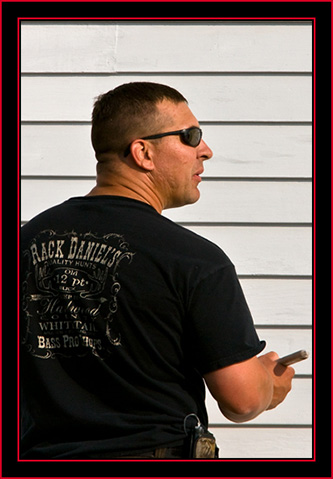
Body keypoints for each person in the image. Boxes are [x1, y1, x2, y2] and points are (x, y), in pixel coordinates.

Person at [20, 82, 295, 460]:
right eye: (190, 136)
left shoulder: (22, 244)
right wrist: (268, 382)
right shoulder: (194, 259)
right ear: (143, 152)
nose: (206, 150)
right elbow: (242, 399)